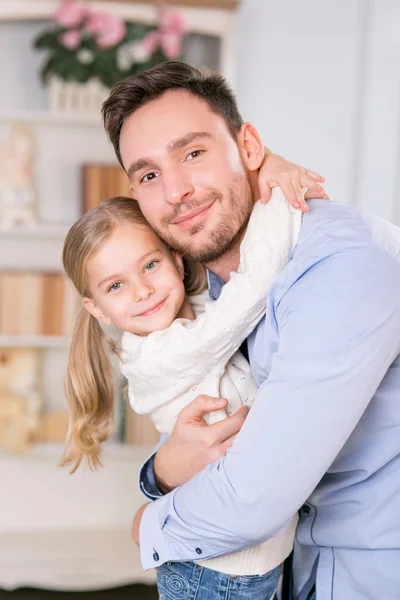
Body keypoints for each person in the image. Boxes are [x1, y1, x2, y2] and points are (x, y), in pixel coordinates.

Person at [100, 61, 400, 600]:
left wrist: (148, 521)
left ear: (249, 147)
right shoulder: (205, 285)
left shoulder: (341, 267)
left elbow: (253, 496)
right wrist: (160, 473)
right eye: (148, 175)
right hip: (295, 570)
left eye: (193, 153)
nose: (176, 191)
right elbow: (202, 441)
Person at [61, 191, 302, 599]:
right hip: (213, 572)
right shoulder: (158, 354)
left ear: (176, 259)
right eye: (116, 285)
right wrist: (279, 197)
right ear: (97, 309)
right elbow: (252, 291)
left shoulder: (195, 313)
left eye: (150, 265)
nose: (142, 291)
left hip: (251, 557)